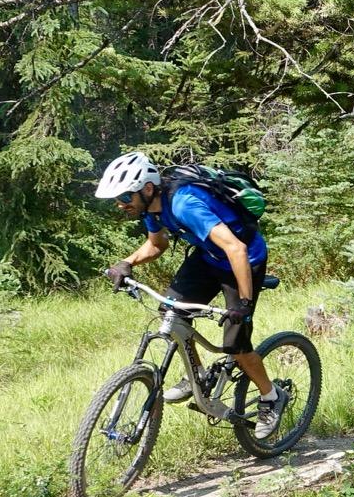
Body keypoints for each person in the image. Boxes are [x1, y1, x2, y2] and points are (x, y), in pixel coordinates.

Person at [94, 150, 287, 439]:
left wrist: (244, 304)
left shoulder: (184, 204)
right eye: (117, 199)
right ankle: (197, 374)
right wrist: (127, 263)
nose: (121, 205)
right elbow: (156, 244)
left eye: (124, 197)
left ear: (148, 189)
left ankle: (271, 397)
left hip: (243, 262)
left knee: (236, 345)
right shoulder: (152, 209)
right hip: (209, 257)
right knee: (172, 312)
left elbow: (236, 248)